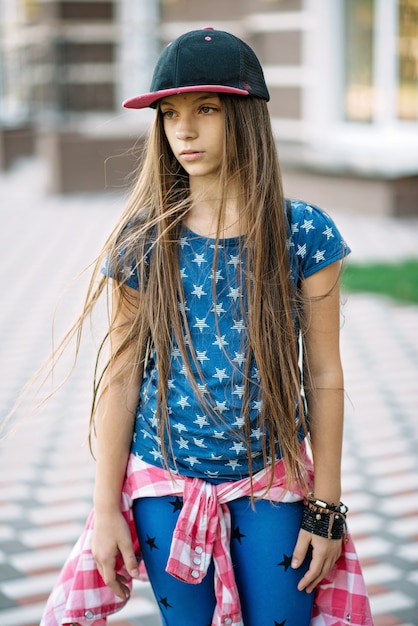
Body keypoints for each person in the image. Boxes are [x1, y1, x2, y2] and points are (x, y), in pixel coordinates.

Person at [40, 28, 373, 626]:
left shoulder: (305, 234)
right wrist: (105, 507)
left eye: (206, 109)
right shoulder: (147, 240)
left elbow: (323, 373)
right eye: (168, 114)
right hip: (163, 484)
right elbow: (121, 374)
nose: (183, 130)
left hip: (270, 479)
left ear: (244, 115)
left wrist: (327, 510)